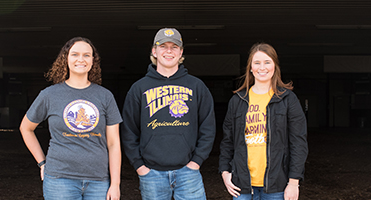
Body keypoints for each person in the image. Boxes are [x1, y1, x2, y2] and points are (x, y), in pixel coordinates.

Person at [19, 37, 122, 200]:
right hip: (60, 180)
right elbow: (26, 128)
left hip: (98, 181)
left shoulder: (105, 96)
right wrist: (41, 162)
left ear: (93, 61)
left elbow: (114, 143)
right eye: (75, 54)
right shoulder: (49, 95)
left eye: (86, 55)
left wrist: (115, 184)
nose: (81, 59)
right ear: (66, 59)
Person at [120, 28, 216, 200]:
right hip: (152, 174)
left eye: (174, 47)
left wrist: (196, 162)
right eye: (163, 46)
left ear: (181, 52)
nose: (169, 51)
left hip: (188, 173)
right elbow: (129, 130)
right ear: (154, 51)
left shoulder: (196, 86)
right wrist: (140, 166)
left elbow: (208, 127)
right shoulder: (139, 88)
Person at [218, 43, 308, 200]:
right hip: (242, 185)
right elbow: (228, 141)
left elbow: (298, 143)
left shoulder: (287, 99)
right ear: (251, 68)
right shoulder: (237, 100)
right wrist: (225, 172)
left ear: (275, 66)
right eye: (257, 63)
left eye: (267, 62)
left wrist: (294, 182)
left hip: (277, 185)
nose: (262, 68)